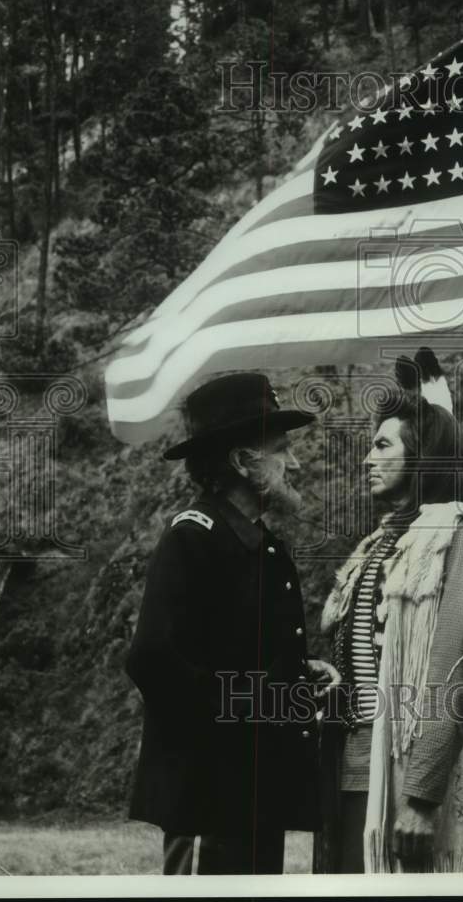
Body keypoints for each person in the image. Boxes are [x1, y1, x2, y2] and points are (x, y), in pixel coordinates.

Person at [125, 372, 339, 875]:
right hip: (210, 794)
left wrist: (295, 673)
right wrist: (250, 706)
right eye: (282, 450)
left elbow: (231, 651)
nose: (297, 462)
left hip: (254, 790)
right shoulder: (193, 537)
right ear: (243, 461)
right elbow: (153, 661)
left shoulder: (259, 544)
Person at [315, 350, 463, 873]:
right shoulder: (377, 545)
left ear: (422, 456)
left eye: (382, 446)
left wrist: (421, 796)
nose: (367, 459)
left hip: (412, 787)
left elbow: (460, 666)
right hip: (353, 776)